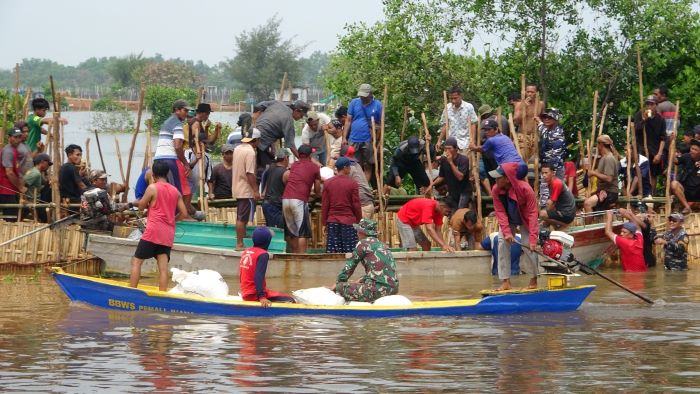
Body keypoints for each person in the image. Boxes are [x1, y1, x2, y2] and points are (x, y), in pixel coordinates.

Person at [129, 160, 190, 291]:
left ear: (153, 174)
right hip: (168, 233)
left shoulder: (152, 188)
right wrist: (173, 219)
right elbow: (184, 213)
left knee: (136, 261)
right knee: (163, 268)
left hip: (153, 231)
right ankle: (162, 294)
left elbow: (141, 206)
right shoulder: (175, 191)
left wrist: (142, 205)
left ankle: (131, 292)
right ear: (167, 173)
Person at [489, 165, 539, 290]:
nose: (496, 180)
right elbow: (500, 212)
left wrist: (533, 239)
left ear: (507, 178)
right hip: (508, 218)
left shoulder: (525, 189)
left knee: (529, 246)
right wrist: (507, 232)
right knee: (502, 243)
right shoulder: (496, 189)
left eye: (498, 178)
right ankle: (506, 281)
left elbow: (533, 213)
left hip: (525, 218)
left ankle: (534, 278)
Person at [334, 219, 399, 303]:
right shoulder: (383, 245)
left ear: (362, 232)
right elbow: (380, 271)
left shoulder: (363, 244)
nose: (357, 233)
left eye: (358, 231)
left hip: (377, 291)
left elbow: (348, 268)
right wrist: (362, 279)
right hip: (394, 289)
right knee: (360, 281)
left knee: (340, 288)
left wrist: (338, 284)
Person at [239, 226, 295, 307]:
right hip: (253, 295)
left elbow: (242, 274)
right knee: (290, 300)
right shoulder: (263, 254)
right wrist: (262, 297)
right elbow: (259, 276)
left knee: (276, 293)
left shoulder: (246, 251)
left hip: (245, 292)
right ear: (268, 241)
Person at [153, 99, 192, 209]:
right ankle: (178, 217)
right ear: (177, 110)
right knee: (177, 190)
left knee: (163, 188)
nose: (186, 113)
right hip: (170, 159)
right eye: (185, 110)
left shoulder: (167, 122)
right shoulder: (177, 124)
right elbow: (178, 146)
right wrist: (185, 163)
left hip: (158, 159)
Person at [282, 144, 321, 253]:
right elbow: (317, 189)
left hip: (286, 199)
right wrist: (317, 194)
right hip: (299, 200)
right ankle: (302, 257)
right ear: (310, 155)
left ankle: (295, 254)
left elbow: (287, 177)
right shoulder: (315, 168)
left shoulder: (294, 165)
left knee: (292, 231)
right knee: (302, 232)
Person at [321, 157, 362, 253]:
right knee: (349, 253)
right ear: (345, 168)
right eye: (349, 167)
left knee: (333, 253)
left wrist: (324, 223)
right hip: (348, 222)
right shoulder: (352, 183)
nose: (350, 169)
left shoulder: (328, 183)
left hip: (332, 222)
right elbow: (356, 205)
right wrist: (359, 220)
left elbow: (325, 205)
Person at [256, 100, 309, 169]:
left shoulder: (278, 103)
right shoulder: (288, 120)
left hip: (256, 131)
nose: (301, 118)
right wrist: (302, 160)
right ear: (296, 110)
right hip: (262, 141)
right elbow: (291, 146)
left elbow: (260, 104)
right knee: (266, 167)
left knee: (267, 160)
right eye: (301, 115)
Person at [232, 128, 261, 250]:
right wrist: (255, 190)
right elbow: (250, 173)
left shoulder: (237, 149)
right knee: (242, 218)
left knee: (241, 215)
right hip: (246, 189)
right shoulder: (250, 152)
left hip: (237, 186)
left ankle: (242, 236)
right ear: (255, 140)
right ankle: (239, 244)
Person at [344, 83, 382, 174]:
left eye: (364, 95)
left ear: (370, 94)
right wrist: (344, 137)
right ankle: (357, 185)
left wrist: (378, 142)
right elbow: (348, 120)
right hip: (354, 138)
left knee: (368, 165)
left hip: (369, 140)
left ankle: (364, 187)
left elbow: (380, 124)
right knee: (354, 164)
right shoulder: (354, 103)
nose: (362, 97)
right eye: (361, 95)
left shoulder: (378, 105)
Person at [425, 137, 471, 208]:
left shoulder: (463, 159)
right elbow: (441, 177)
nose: (447, 151)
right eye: (446, 149)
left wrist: (451, 162)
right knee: (451, 212)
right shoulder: (444, 160)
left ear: (456, 149)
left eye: (450, 148)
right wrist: (431, 185)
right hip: (452, 192)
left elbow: (460, 177)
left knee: (460, 210)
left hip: (464, 192)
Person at [634, 95, 666, 194]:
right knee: (640, 174)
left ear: (656, 105)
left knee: (653, 175)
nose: (649, 106)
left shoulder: (660, 119)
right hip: (641, 150)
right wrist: (644, 119)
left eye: (651, 104)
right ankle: (640, 196)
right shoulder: (640, 114)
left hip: (655, 152)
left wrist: (659, 154)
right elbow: (636, 129)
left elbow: (663, 138)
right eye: (647, 104)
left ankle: (651, 198)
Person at [583, 135, 620, 222]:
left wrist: (593, 173)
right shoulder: (604, 158)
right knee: (587, 202)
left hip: (610, 192)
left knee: (587, 204)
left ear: (601, 145)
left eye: (598, 144)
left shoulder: (609, 158)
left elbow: (609, 178)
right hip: (604, 191)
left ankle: (588, 230)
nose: (597, 147)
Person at [536, 108, 566, 206]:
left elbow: (555, 156)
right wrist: (539, 121)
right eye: (545, 117)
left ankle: (548, 215)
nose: (546, 119)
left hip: (554, 169)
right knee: (546, 192)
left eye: (549, 117)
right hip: (547, 167)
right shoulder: (548, 129)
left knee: (550, 194)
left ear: (556, 119)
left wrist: (549, 172)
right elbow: (543, 129)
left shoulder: (557, 133)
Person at [436, 86, 478, 153]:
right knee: (446, 162)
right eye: (451, 99)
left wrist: (472, 141)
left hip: (464, 144)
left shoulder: (468, 107)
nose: (453, 101)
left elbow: (473, 125)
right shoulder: (447, 108)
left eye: (455, 98)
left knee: (463, 162)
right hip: (450, 145)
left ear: (460, 96)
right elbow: (445, 125)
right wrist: (439, 141)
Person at [512, 84, 544, 162]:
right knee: (522, 160)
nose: (530, 94)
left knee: (533, 162)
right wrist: (524, 108)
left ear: (536, 93)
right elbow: (515, 121)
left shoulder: (541, 104)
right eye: (528, 92)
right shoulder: (519, 104)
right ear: (525, 92)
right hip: (522, 136)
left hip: (535, 137)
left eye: (532, 92)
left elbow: (543, 119)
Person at [0, 129, 27, 221]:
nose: (18, 140)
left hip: (11, 189)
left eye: (19, 137)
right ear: (9, 138)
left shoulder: (14, 150)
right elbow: (9, 173)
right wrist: (20, 187)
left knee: (20, 211)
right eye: (15, 137)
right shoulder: (8, 151)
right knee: (11, 218)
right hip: (5, 190)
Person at [341, 144, 375, 219]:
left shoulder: (349, 168)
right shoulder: (357, 165)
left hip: (362, 206)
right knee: (367, 230)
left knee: (360, 230)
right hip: (368, 204)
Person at [539, 164, 576, 228]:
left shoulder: (556, 183)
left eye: (546, 173)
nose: (544, 175)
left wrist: (544, 218)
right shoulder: (550, 183)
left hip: (567, 213)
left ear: (553, 173)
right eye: (542, 173)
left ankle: (564, 226)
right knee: (545, 215)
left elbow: (550, 204)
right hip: (562, 210)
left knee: (542, 214)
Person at [670, 139, 700, 214]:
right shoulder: (686, 156)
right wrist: (671, 146)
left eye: (695, 150)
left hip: (698, 191)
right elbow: (675, 161)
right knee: (674, 184)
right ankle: (687, 207)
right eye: (692, 148)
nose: (692, 151)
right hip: (686, 190)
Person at [261, 149, 289, 229]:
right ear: (286, 158)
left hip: (267, 204)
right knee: (278, 232)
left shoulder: (270, 169)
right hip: (275, 205)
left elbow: (265, 188)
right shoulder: (286, 173)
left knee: (271, 231)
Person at [24, 153, 52, 222]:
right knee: (48, 220)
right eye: (48, 164)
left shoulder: (37, 172)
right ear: (42, 162)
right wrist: (26, 201)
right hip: (33, 202)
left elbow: (46, 182)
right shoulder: (36, 174)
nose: (48, 166)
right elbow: (23, 186)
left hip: (36, 201)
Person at [185, 133, 212, 200]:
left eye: (205, 143)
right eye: (203, 143)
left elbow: (209, 176)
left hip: (200, 187)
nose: (205, 145)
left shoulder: (207, 157)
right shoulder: (187, 153)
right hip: (188, 186)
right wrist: (196, 159)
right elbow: (187, 167)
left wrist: (210, 192)